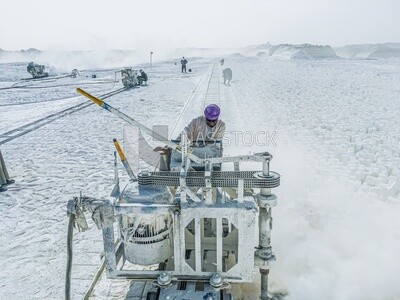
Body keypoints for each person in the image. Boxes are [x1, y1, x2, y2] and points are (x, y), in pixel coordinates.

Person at [154, 104, 225, 170]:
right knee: (172, 152)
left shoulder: (221, 125)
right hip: (193, 149)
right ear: (205, 117)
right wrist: (170, 147)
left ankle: (189, 154)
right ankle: (164, 176)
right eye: (209, 120)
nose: (211, 123)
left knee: (213, 153)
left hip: (208, 151)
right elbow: (184, 134)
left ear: (217, 118)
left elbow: (215, 143)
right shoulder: (197, 121)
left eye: (214, 121)